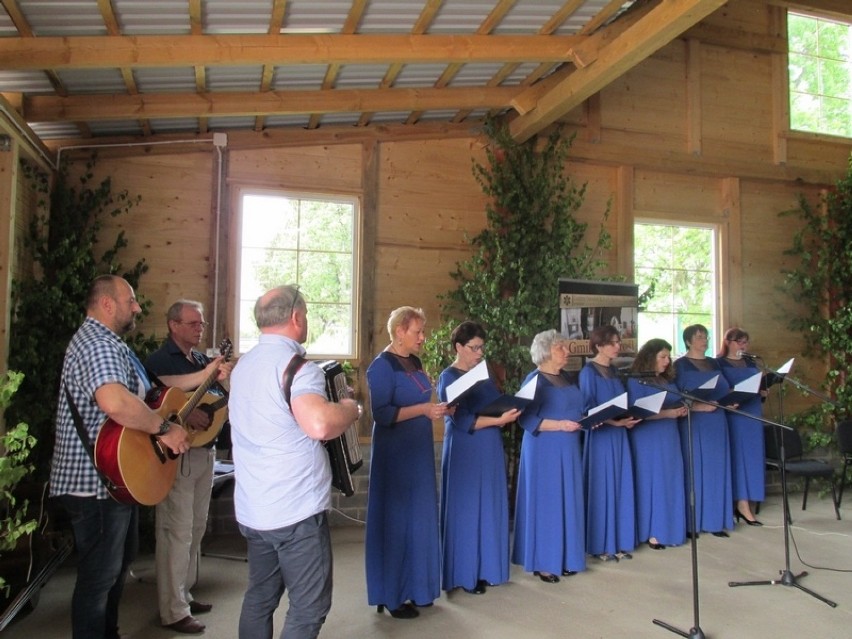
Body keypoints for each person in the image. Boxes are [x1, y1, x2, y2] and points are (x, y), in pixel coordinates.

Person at [49, 275, 225, 639]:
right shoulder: (98, 344)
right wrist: (165, 430)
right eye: (130, 301)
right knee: (99, 577)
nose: (138, 307)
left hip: (114, 481)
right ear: (107, 304)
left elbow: (156, 389)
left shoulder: (115, 345)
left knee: (114, 569)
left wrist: (207, 375)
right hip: (93, 482)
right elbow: (115, 402)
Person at [228, 285, 361, 639]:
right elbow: (319, 424)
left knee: (260, 596)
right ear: (297, 317)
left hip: (255, 509)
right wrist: (350, 408)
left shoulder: (243, 366)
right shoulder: (298, 369)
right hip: (295, 511)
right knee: (309, 605)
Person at [146, 300, 233, 634]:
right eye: (193, 323)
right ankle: (173, 610)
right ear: (173, 325)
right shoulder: (158, 361)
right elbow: (154, 400)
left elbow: (215, 400)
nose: (199, 328)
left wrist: (223, 380)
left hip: (205, 450)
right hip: (177, 455)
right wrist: (185, 410)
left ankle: (183, 592)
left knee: (197, 526)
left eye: (202, 323)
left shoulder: (200, 360)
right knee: (176, 530)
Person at [365, 306, 449, 619]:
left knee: (420, 518)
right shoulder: (380, 367)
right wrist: (425, 410)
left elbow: (421, 399)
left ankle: (419, 588)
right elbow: (383, 414)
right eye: (418, 332)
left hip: (419, 451)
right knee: (397, 522)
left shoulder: (414, 361)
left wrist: (438, 409)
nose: (423, 338)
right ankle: (392, 594)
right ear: (400, 331)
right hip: (395, 454)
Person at [436, 322, 519, 595]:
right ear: (459, 347)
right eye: (475, 347)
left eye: (482, 347)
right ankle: (464, 574)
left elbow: (498, 403)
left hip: (490, 446)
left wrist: (510, 411)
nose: (480, 352)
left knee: (489, 507)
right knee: (467, 509)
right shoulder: (448, 377)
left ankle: (487, 569)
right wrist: (498, 419)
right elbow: (461, 419)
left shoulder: (484, 375)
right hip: (465, 448)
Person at [512, 329, 586, 583]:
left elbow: (577, 407)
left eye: (565, 347)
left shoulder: (565, 377)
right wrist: (560, 425)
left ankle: (565, 556)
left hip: (568, 447)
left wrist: (589, 419)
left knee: (568, 501)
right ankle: (545, 562)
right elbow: (525, 418)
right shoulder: (534, 380)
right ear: (545, 352)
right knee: (548, 504)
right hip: (545, 449)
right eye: (560, 348)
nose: (566, 352)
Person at [579, 325, 640, 561]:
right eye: (613, 343)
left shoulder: (615, 372)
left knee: (619, 484)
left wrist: (628, 416)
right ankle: (601, 544)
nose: (618, 347)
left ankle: (619, 541)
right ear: (599, 345)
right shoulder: (588, 372)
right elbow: (587, 410)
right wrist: (614, 422)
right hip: (601, 437)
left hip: (619, 434)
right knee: (602, 488)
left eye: (618, 342)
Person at [626, 339, 688, 549]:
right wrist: (669, 413)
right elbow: (637, 412)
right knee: (653, 481)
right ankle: (653, 531)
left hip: (670, 434)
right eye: (662, 356)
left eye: (668, 356)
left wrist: (682, 408)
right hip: (648, 437)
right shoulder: (637, 380)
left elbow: (677, 399)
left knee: (670, 480)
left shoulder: (666, 380)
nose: (666, 360)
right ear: (649, 357)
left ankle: (671, 528)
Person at [674, 324, 734, 537]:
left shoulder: (713, 363)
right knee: (695, 470)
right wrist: (697, 407)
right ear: (689, 341)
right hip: (695, 420)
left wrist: (730, 401)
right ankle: (693, 523)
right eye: (699, 336)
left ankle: (715, 521)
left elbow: (725, 388)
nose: (704, 340)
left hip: (717, 419)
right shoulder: (680, 365)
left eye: (706, 336)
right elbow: (676, 395)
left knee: (716, 470)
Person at [716, 327, 765, 526]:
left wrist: (763, 390)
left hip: (753, 411)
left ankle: (749, 499)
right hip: (735, 413)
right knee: (737, 456)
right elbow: (720, 389)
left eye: (746, 342)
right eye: (739, 341)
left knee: (753, 456)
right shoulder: (718, 362)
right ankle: (740, 503)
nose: (743, 345)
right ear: (728, 342)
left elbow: (758, 384)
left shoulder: (751, 362)